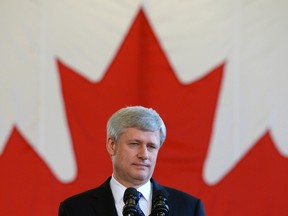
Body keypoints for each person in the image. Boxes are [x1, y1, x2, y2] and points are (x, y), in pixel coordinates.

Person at [58, 106, 205, 216]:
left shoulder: (189, 208)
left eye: (151, 146)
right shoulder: (75, 209)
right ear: (112, 145)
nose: (144, 154)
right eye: (134, 144)